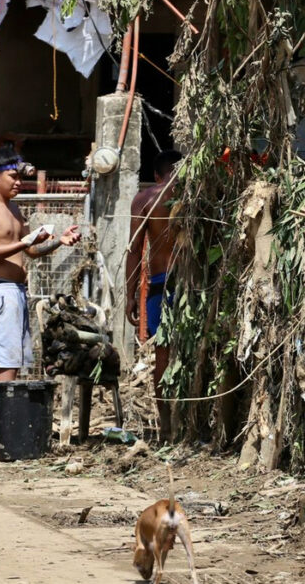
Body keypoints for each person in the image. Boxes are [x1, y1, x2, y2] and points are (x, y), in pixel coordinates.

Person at [0, 145, 79, 441]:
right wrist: (26, 241)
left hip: (16, 292)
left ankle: (2, 430)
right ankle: (1, 433)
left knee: (11, 362)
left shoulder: (14, 208)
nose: (18, 182)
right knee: (3, 363)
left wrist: (58, 241)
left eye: (21, 177)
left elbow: (30, 251)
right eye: (13, 176)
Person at [126, 150, 183, 442]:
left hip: (161, 284)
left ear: (157, 175)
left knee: (163, 354)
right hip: (192, 284)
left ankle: (167, 427)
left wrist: (130, 294)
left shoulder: (146, 198)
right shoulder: (195, 196)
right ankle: (189, 423)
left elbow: (134, 249)